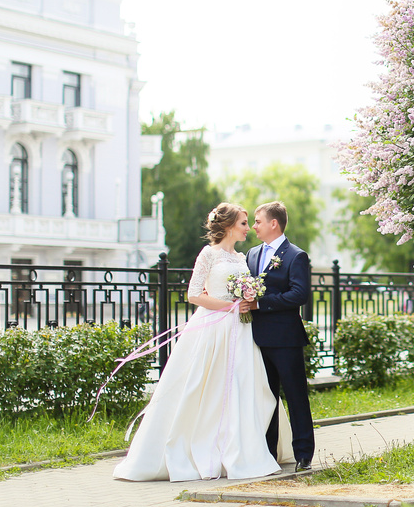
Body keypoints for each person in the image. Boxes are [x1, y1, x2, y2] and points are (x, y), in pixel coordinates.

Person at [113, 203, 291, 482]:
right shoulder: (208, 254)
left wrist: (245, 302)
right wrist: (228, 306)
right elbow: (194, 294)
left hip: (241, 330)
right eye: (244, 223)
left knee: (243, 386)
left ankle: (240, 449)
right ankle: (200, 449)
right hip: (213, 328)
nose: (249, 228)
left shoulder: (242, 258)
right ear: (230, 226)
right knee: (204, 386)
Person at [245, 201, 316, 472]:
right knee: (265, 397)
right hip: (255, 338)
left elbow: (299, 294)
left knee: (296, 396)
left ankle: (303, 454)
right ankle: (268, 453)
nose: (254, 226)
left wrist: (261, 304)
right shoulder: (251, 254)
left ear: (274, 223)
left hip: (286, 339)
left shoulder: (296, 256)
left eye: (258, 221)